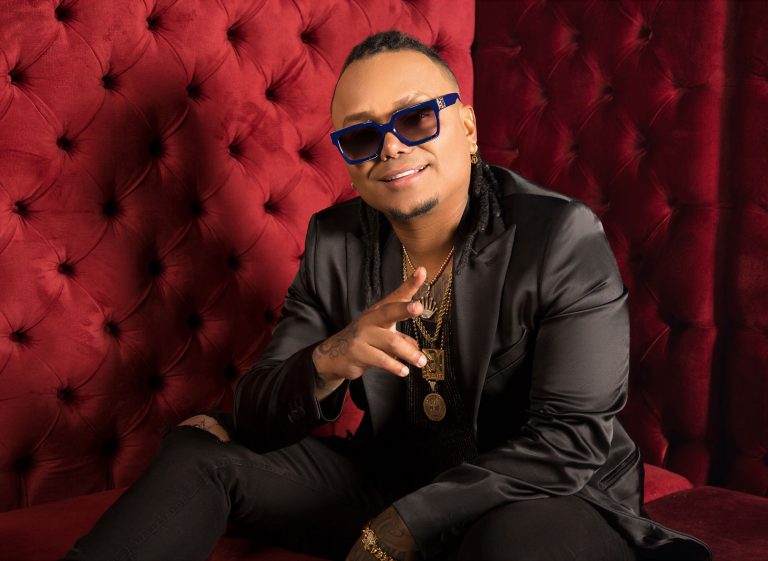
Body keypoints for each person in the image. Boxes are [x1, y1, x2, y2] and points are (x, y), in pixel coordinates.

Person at [64, 31, 711, 561]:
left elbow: (569, 441)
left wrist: (407, 523)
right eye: (362, 136)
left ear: (467, 126)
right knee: (199, 452)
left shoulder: (559, 236)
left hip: (545, 497)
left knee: (507, 542)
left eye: (417, 118)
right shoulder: (335, 240)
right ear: (349, 161)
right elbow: (259, 408)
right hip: (394, 479)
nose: (392, 146)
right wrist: (331, 358)